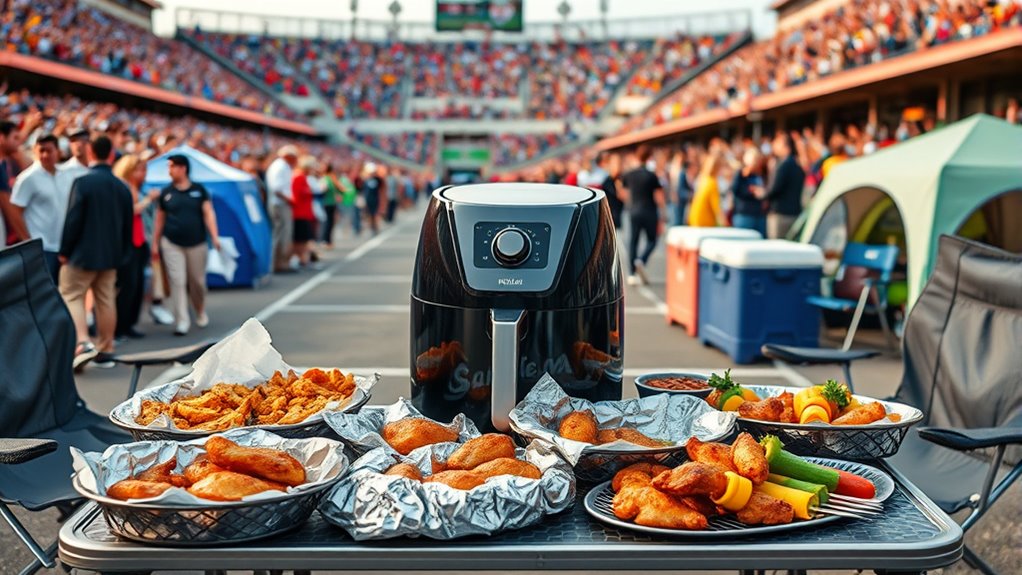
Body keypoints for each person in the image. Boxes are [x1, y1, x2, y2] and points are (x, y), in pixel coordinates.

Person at [58, 135, 134, 370]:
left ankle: (82, 343)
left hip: (82, 254)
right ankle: (107, 350)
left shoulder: (83, 182)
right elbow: (127, 226)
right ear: (112, 154)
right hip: (111, 255)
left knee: (71, 295)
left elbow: (73, 220)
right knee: (105, 299)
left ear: (91, 153)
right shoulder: (122, 187)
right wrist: (122, 255)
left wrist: (64, 250)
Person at [152, 154, 221, 336]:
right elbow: (159, 219)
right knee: (177, 280)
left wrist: (215, 236)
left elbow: (208, 213)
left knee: (197, 281)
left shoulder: (199, 190)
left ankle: (199, 309)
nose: (169, 171)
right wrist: (155, 242)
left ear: (183, 168)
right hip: (171, 242)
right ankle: (182, 319)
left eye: (172, 166)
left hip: (197, 242)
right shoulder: (166, 192)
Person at [8, 134, 75, 283]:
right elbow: (15, 212)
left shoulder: (65, 175)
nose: (45, 155)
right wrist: (28, 242)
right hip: (41, 248)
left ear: (58, 151)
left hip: (63, 248)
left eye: (49, 150)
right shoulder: (28, 178)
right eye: (41, 150)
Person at [112, 154, 156, 339]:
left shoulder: (138, 189)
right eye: (140, 169)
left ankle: (129, 324)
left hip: (140, 242)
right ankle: (120, 327)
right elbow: (131, 211)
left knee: (137, 286)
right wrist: (148, 200)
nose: (144, 174)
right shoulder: (123, 188)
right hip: (127, 243)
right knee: (127, 286)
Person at [619, 145, 665, 286]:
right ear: (649, 158)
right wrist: (663, 215)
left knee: (633, 241)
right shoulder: (651, 175)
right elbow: (659, 197)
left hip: (634, 210)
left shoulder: (629, 174)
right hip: (649, 210)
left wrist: (629, 203)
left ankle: (632, 273)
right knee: (653, 240)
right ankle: (642, 260)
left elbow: (621, 192)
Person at [764, 133, 806, 239]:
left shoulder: (783, 165)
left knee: (776, 249)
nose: (774, 145)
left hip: (780, 214)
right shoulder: (797, 164)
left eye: (777, 143)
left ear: (785, 146)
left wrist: (762, 194)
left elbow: (774, 189)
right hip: (794, 213)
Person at [267, 145, 298, 272]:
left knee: (282, 233)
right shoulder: (280, 167)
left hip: (280, 203)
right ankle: (278, 263)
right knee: (281, 233)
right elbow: (277, 188)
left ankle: (280, 262)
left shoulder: (281, 166)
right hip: (280, 204)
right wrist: (290, 200)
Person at [731, 147, 768, 237]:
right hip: (744, 214)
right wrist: (751, 191)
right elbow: (735, 189)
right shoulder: (741, 173)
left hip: (759, 214)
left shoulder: (762, 174)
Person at [291, 156, 317, 268]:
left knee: (304, 238)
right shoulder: (298, 178)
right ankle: (301, 259)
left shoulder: (303, 178)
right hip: (299, 213)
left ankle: (304, 259)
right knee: (301, 239)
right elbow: (296, 197)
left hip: (304, 212)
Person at [688, 151, 726, 228]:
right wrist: (725, 222)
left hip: (694, 218)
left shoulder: (703, 179)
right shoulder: (712, 183)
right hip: (704, 221)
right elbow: (716, 206)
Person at [320, 163, 341, 247]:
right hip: (327, 203)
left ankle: (327, 240)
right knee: (328, 222)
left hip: (329, 202)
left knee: (329, 222)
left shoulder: (327, 178)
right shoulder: (329, 178)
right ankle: (326, 240)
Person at [360, 162, 383, 235]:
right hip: (368, 200)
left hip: (375, 199)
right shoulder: (365, 180)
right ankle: (371, 228)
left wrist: (376, 173)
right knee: (369, 214)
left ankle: (375, 227)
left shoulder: (377, 180)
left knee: (375, 214)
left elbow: (381, 183)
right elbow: (362, 189)